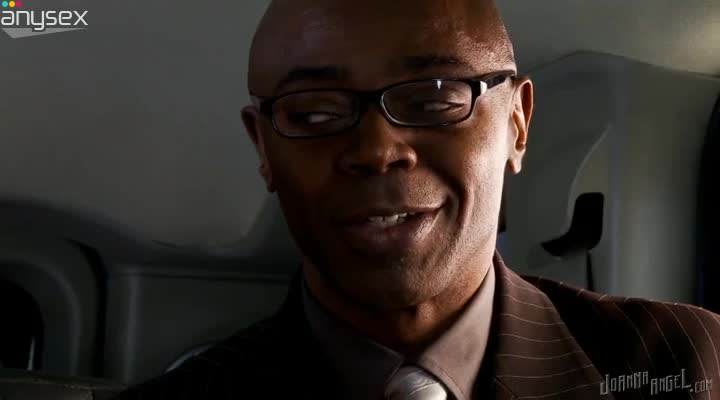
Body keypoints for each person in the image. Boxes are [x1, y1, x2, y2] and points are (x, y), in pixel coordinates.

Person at [113, 0, 720, 399]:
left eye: (432, 100)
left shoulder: (689, 363)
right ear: (263, 149)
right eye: (316, 113)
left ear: (517, 126)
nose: (377, 150)